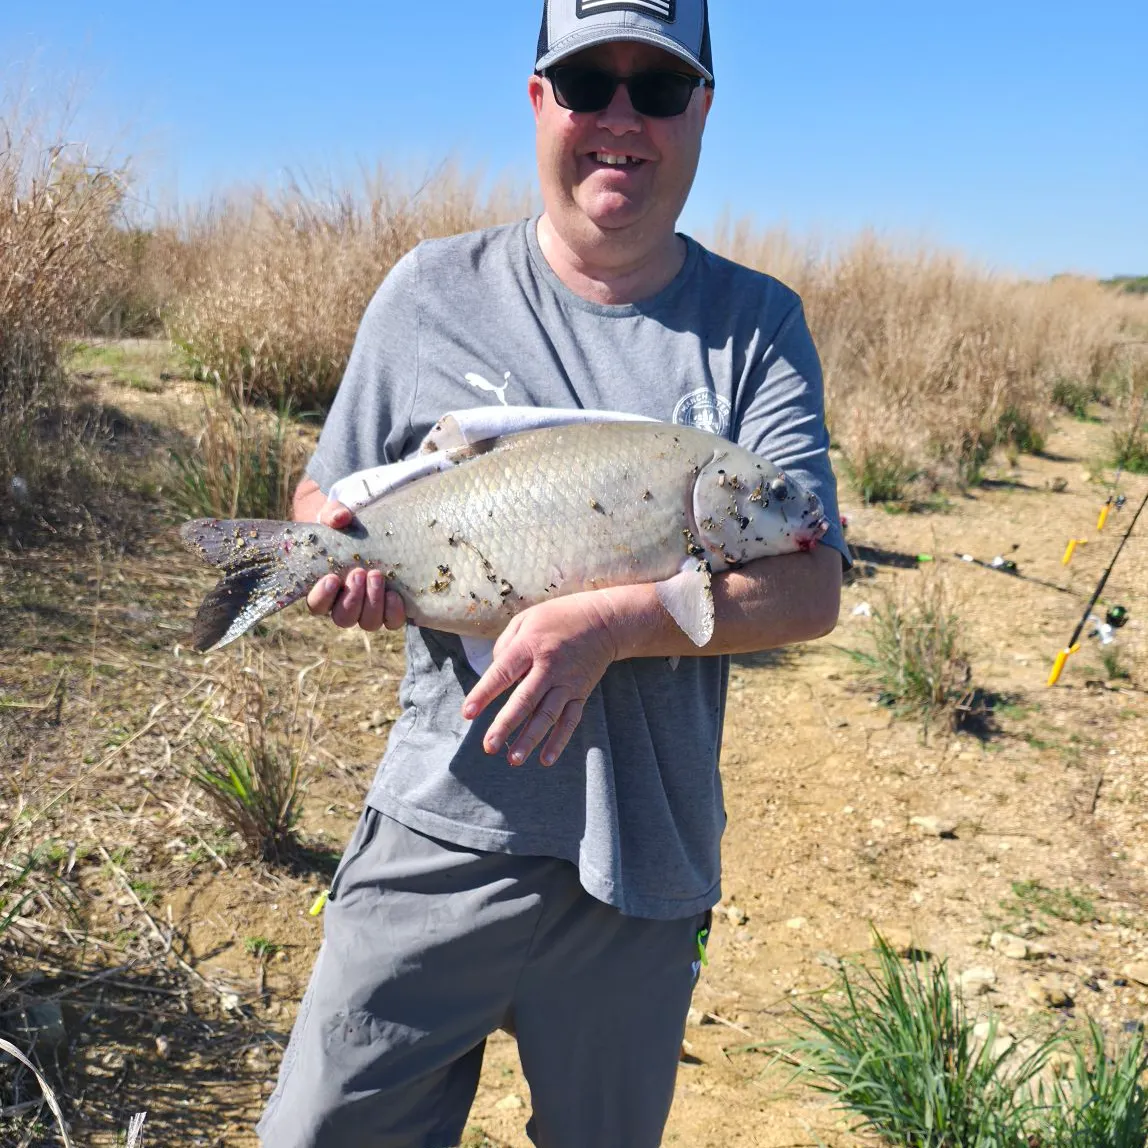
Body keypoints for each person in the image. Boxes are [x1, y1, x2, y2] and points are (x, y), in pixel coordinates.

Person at [257, 2, 849, 1145]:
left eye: (658, 89)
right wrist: (330, 555)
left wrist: (616, 621)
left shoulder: (756, 327)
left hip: (645, 855)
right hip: (440, 827)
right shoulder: (428, 290)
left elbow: (809, 582)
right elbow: (324, 496)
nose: (619, 117)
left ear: (701, 113)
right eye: (587, 82)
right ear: (539, 103)